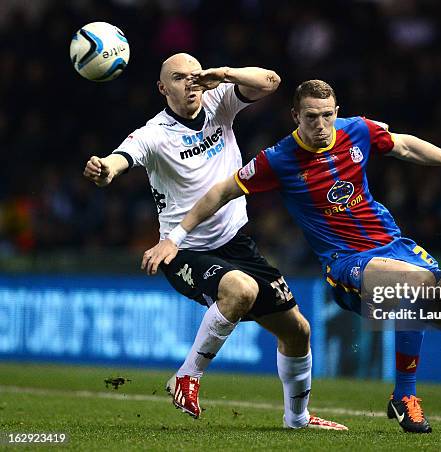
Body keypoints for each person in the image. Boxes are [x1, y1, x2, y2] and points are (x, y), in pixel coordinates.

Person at [143, 79, 441, 434]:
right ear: (295, 116)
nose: (321, 124)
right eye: (311, 116)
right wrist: (175, 237)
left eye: (327, 115)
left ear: (336, 111)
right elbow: (220, 192)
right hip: (346, 262)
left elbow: (405, 147)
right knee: (414, 284)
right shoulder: (279, 159)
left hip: (393, 244)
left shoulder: (357, 130)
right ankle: (404, 395)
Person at [83, 58, 346, 431]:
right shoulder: (154, 133)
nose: (189, 84)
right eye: (178, 79)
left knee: (298, 331)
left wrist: (222, 75)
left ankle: (298, 419)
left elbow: (270, 80)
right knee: (241, 289)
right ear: (163, 89)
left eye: (193, 76)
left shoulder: (219, 100)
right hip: (181, 249)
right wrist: (105, 169)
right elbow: (122, 158)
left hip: (237, 244)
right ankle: (187, 376)